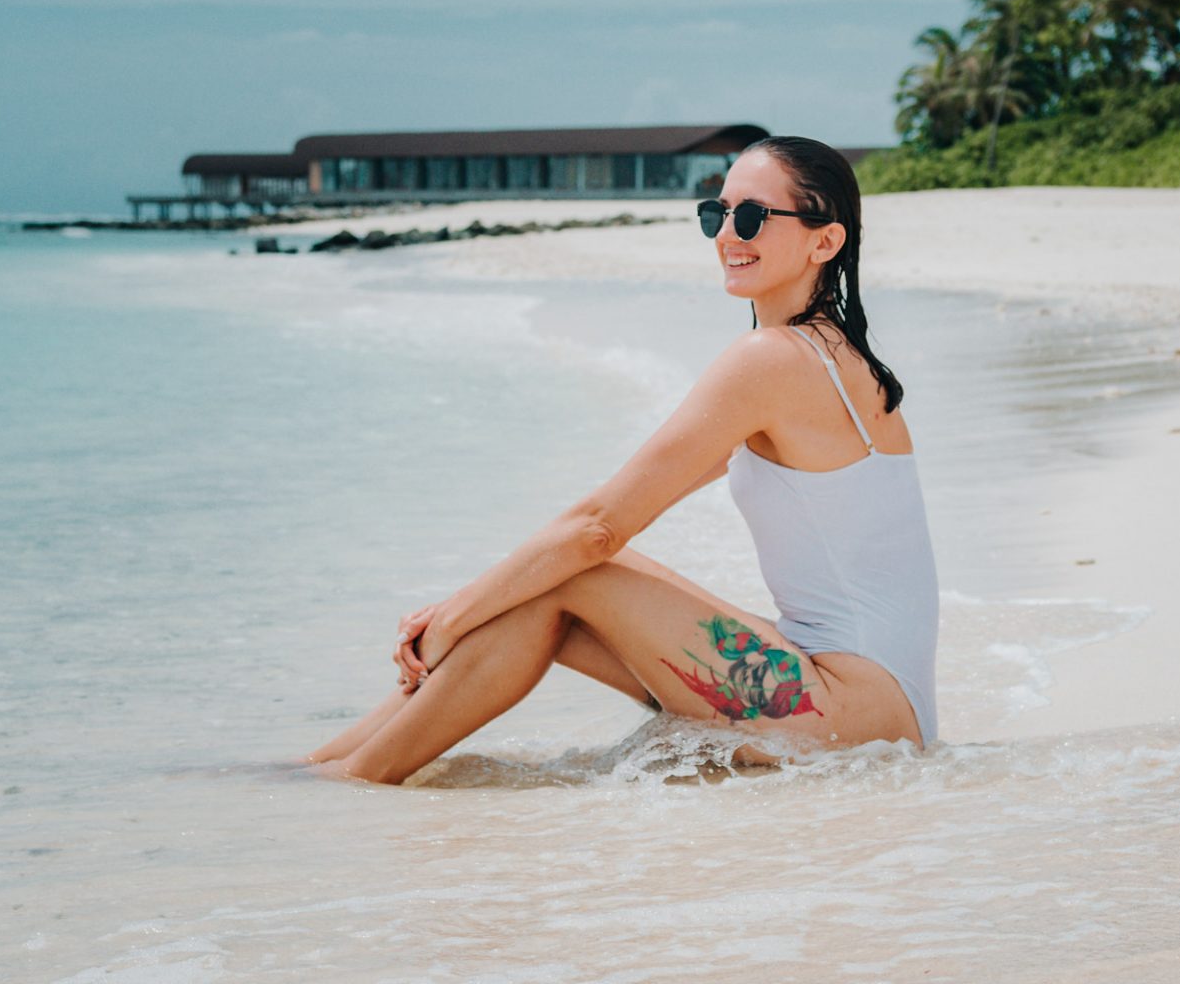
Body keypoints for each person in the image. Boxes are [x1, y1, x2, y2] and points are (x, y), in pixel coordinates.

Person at [308, 137, 939, 784]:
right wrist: (467, 611)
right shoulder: (829, 356)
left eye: (751, 217)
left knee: (575, 571)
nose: (727, 234)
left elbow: (599, 529)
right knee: (542, 594)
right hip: (877, 708)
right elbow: (617, 514)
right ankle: (329, 766)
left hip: (848, 712)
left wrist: (446, 620)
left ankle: (355, 781)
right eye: (714, 214)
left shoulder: (773, 360)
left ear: (824, 242)